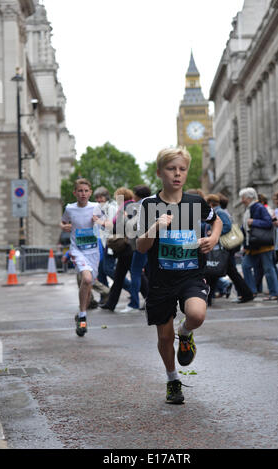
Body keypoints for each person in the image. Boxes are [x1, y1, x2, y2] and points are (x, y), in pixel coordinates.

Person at [136, 147, 222, 405]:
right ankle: (172, 380)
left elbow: (216, 221)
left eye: (182, 169)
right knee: (163, 337)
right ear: (160, 172)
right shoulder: (149, 205)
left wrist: (214, 237)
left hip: (191, 275)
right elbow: (140, 246)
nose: (177, 174)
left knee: (196, 314)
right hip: (161, 280)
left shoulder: (195, 203)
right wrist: (154, 227)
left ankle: (184, 333)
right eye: (172, 169)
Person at [61, 178, 103, 337]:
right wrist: (64, 226)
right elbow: (63, 221)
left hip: (93, 251)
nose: (83, 194)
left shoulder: (96, 207)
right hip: (77, 250)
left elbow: (109, 224)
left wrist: (99, 221)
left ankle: (81, 315)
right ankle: (83, 315)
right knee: (86, 279)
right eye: (80, 191)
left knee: (89, 283)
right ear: (75, 193)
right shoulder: (70, 208)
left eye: (86, 191)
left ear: (90, 193)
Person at [205, 194, 253, 304]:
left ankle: (246, 294)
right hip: (223, 247)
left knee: (217, 272)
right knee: (217, 272)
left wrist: (213, 233)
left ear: (211, 203)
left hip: (224, 248)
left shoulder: (220, 212)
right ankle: (246, 294)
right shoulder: (217, 212)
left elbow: (227, 226)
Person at [98, 187, 140, 312]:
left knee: (126, 276)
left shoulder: (130, 207)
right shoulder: (126, 207)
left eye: (117, 197)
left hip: (129, 247)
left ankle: (132, 302)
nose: (116, 199)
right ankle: (111, 304)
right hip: (126, 248)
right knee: (121, 276)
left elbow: (133, 225)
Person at [240, 187, 278, 301]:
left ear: (249, 198)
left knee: (268, 268)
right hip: (254, 244)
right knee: (246, 266)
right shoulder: (250, 208)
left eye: (243, 198)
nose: (241, 200)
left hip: (262, 244)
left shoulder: (258, 207)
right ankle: (252, 291)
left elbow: (268, 223)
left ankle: (275, 292)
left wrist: (253, 222)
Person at [121, 185, 151, 313]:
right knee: (152, 274)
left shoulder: (136, 207)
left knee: (135, 273)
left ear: (137, 195)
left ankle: (134, 303)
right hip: (154, 243)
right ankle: (152, 301)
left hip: (141, 244)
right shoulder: (154, 204)